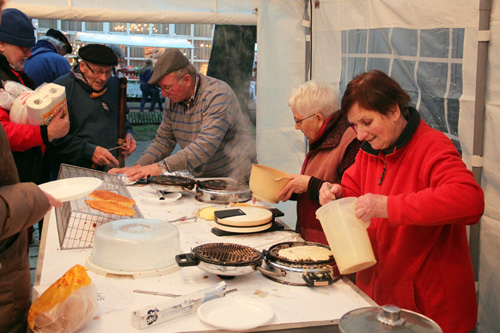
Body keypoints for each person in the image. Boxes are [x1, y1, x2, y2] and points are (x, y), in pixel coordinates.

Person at [319, 70, 484, 333]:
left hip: (429, 313)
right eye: (354, 125)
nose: (360, 134)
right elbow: (352, 191)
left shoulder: (433, 147)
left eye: (367, 122)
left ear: (394, 111)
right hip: (379, 303)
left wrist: (389, 206)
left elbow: (470, 200)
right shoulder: (369, 152)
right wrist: (336, 193)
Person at [0, 3, 62, 333]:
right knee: (12, 264)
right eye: (21, 45)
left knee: (22, 257)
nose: (27, 51)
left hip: (23, 183)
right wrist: (42, 133)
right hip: (12, 191)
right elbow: (4, 133)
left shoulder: (17, 74)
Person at [110, 48, 257, 182]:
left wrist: (157, 168)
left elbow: (205, 146)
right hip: (203, 179)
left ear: (187, 79)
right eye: (160, 88)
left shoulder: (217, 94)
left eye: (167, 87)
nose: (163, 94)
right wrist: (138, 167)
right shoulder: (172, 100)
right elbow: (163, 141)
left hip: (236, 177)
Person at [276, 81, 360, 245]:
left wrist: (309, 184)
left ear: (318, 118)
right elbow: (319, 182)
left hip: (335, 246)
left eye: (298, 120)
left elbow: (348, 198)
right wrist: (284, 188)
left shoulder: (351, 141)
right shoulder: (323, 137)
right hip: (316, 239)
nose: (296, 127)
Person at [0, 8, 70, 184]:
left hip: (27, 172)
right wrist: (46, 133)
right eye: (23, 48)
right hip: (11, 180)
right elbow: (3, 132)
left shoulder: (17, 73)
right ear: (1, 44)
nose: (29, 54)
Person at [49, 44, 136, 178]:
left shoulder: (114, 85)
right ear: (83, 66)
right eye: (98, 71)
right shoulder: (61, 89)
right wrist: (89, 151)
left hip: (110, 170)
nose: (103, 78)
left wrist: (127, 133)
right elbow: (53, 139)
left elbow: (122, 117)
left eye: (108, 71)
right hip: (73, 173)